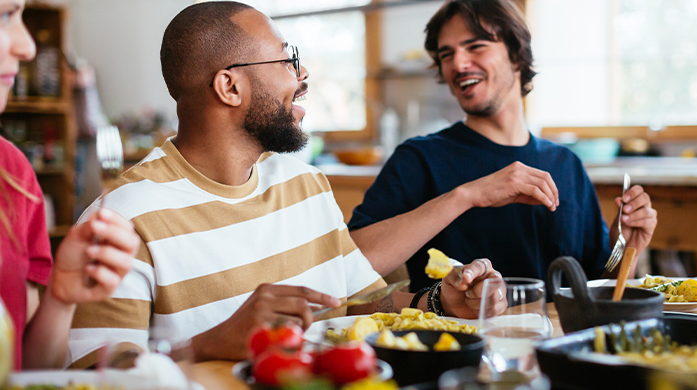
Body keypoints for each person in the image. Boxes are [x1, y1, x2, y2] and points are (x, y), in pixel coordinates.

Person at [67, 1, 506, 369]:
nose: (303, 74)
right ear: (229, 86)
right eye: (287, 59)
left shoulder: (305, 182)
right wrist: (205, 345)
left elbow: (356, 306)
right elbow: (91, 374)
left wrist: (439, 303)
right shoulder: (123, 218)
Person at [348, 0, 658, 292]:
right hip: (459, 344)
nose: (458, 63)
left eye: (475, 46)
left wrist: (625, 249)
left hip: (557, 343)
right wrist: (467, 196)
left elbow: (596, 286)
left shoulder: (567, 164)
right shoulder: (418, 159)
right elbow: (352, 263)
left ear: (516, 54)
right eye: (446, 54)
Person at [0, 0, 140, 370]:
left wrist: (61, 298)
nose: (27, 46)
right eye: (3, 15)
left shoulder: (14, 174)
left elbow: (28, 371)